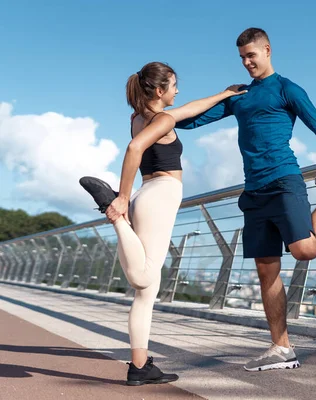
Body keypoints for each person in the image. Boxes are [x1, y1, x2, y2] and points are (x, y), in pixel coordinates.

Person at [175, 28, 316, 372]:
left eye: (252, 55)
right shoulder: (240, 95)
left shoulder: (286, 88)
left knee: (304, 250)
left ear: (267, 50)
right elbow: (191, 123)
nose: (247, 63)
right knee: (266, 271)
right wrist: (158, 114)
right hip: (254, 191)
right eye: (242, 58)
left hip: (284, 181)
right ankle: (282, 347)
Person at [79, 61, 245, 385]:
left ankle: (139, 366)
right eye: (173, 85)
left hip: (147, 195)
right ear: (159, 90)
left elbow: (191, 108)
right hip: (160, 194)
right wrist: (121, 200)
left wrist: (224, 94)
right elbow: (135, 148)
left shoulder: (139, 118)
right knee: (144, 278)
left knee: (146, 291)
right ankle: (111, 210)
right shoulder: (163, 119)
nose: (177, 91)